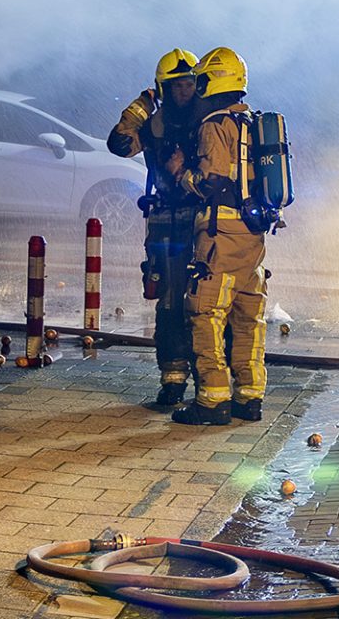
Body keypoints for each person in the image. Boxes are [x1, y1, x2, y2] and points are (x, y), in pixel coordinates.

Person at [170, 45, 266, 426]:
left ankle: (213, 399)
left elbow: (211, 181)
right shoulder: (253, 124)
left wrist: (181, 173)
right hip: (252, 235)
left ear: (215, 80)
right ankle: (250, 396)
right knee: (248, 317)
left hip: (220, 234)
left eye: (203, 79)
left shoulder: (215, 125)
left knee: (206, 312)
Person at [108, 48, 203, 408]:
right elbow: (119, 144)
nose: (184, 91)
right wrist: (140, 108)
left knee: (204, 306)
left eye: (189, 83)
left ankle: (209, 381)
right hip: (164, 228)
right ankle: (173, 379)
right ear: (162, 88)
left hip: (201, 225)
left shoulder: (209, 119)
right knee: (167, 304)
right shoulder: (154, 124)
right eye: (176, 85)